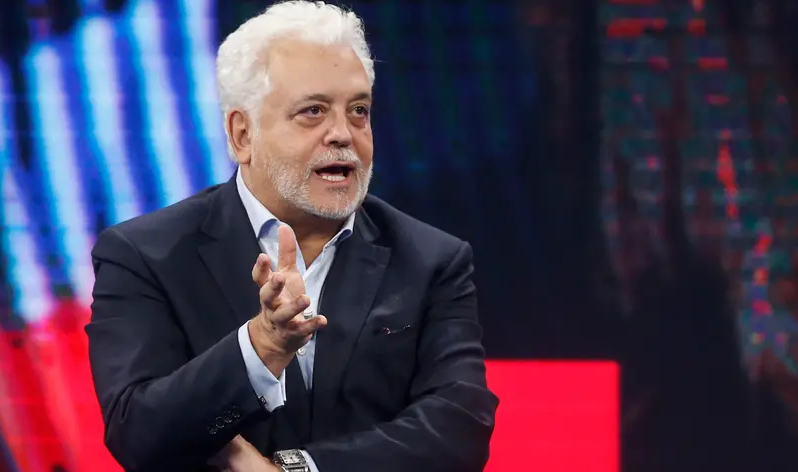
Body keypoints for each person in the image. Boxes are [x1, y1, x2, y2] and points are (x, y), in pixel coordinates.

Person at [85, 1, 498, 471]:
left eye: (358, 110)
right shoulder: (144, 255)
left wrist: (295, 468)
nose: (343, 134)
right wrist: (262, 345)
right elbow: (138, 435)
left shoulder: (431, 260)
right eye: (313, 111)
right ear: (242, 135)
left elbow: (458, 430)